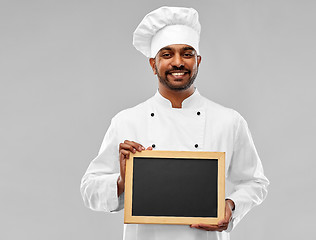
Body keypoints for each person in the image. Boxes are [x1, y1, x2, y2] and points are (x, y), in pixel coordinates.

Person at [80, 6, 269, 240]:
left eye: (187, 54)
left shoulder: (229, 121)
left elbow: (255, 182)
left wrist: (231, 206)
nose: (178, 62)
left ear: (198, 61)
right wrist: (122, 181)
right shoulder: (126, 121)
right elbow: (89, 190)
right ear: (153, 64)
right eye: (167, 54)